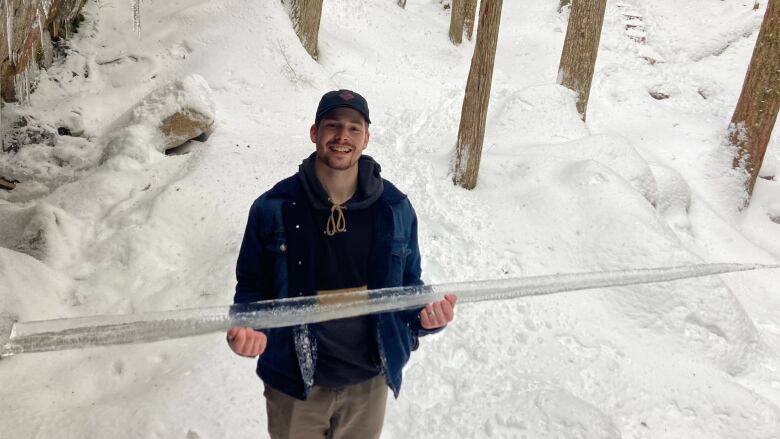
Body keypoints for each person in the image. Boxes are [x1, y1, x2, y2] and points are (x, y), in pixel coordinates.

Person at [227, 89, 457, 439]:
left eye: (353, 128)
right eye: (332, 125)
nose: (342, 136)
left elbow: (408, 285)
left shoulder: (395, 208)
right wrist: (248, 327)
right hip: (295, 385)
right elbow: (252, 288)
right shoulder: (272, 207)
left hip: (370, 383)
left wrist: (424, 317)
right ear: (314, 133)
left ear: (366, 137)